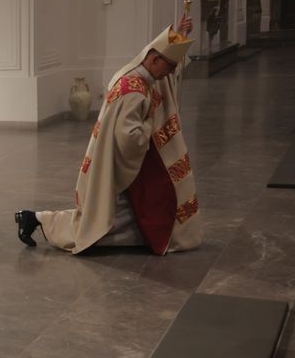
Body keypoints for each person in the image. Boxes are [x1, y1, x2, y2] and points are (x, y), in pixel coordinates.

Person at [16, 14, 201, 254]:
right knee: (100, 226)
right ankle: (37, 219)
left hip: (112, 162)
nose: (170, 74)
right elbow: (130, 140)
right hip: (118, 167)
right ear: (154, 59)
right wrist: (150, 120)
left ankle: (35, 218)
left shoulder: (133, 72)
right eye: (169, 67)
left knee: (107, 217)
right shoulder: (134, 92)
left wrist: (179, 37)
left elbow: (163, 66)